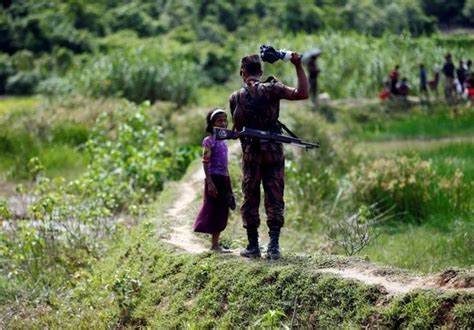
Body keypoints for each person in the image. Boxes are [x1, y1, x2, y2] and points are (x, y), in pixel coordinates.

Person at [229, 53, 308, 260]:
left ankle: (253, 246)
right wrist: (298, 65)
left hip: (251, 153)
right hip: (273, 151)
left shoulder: (236, 96)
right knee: (275, 196)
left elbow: (237, 128)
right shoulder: (272, 89)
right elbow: (302, 93)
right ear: (261, 72)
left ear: (242, 73)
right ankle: (273, 246)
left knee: (250, 196)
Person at [193, 108, 236, 253]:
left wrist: (229, 184)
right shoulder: (208, 141)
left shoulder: (224, 142)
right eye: (219, 121)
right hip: (214, 178)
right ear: (211, 124)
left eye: (225, 120)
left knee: (222, 209)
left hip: (223, 178)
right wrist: (210, 182)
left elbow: (225, 164)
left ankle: (215, 244)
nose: (223, 123)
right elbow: (205, 162)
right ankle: (214, 245)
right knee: (214, 209)